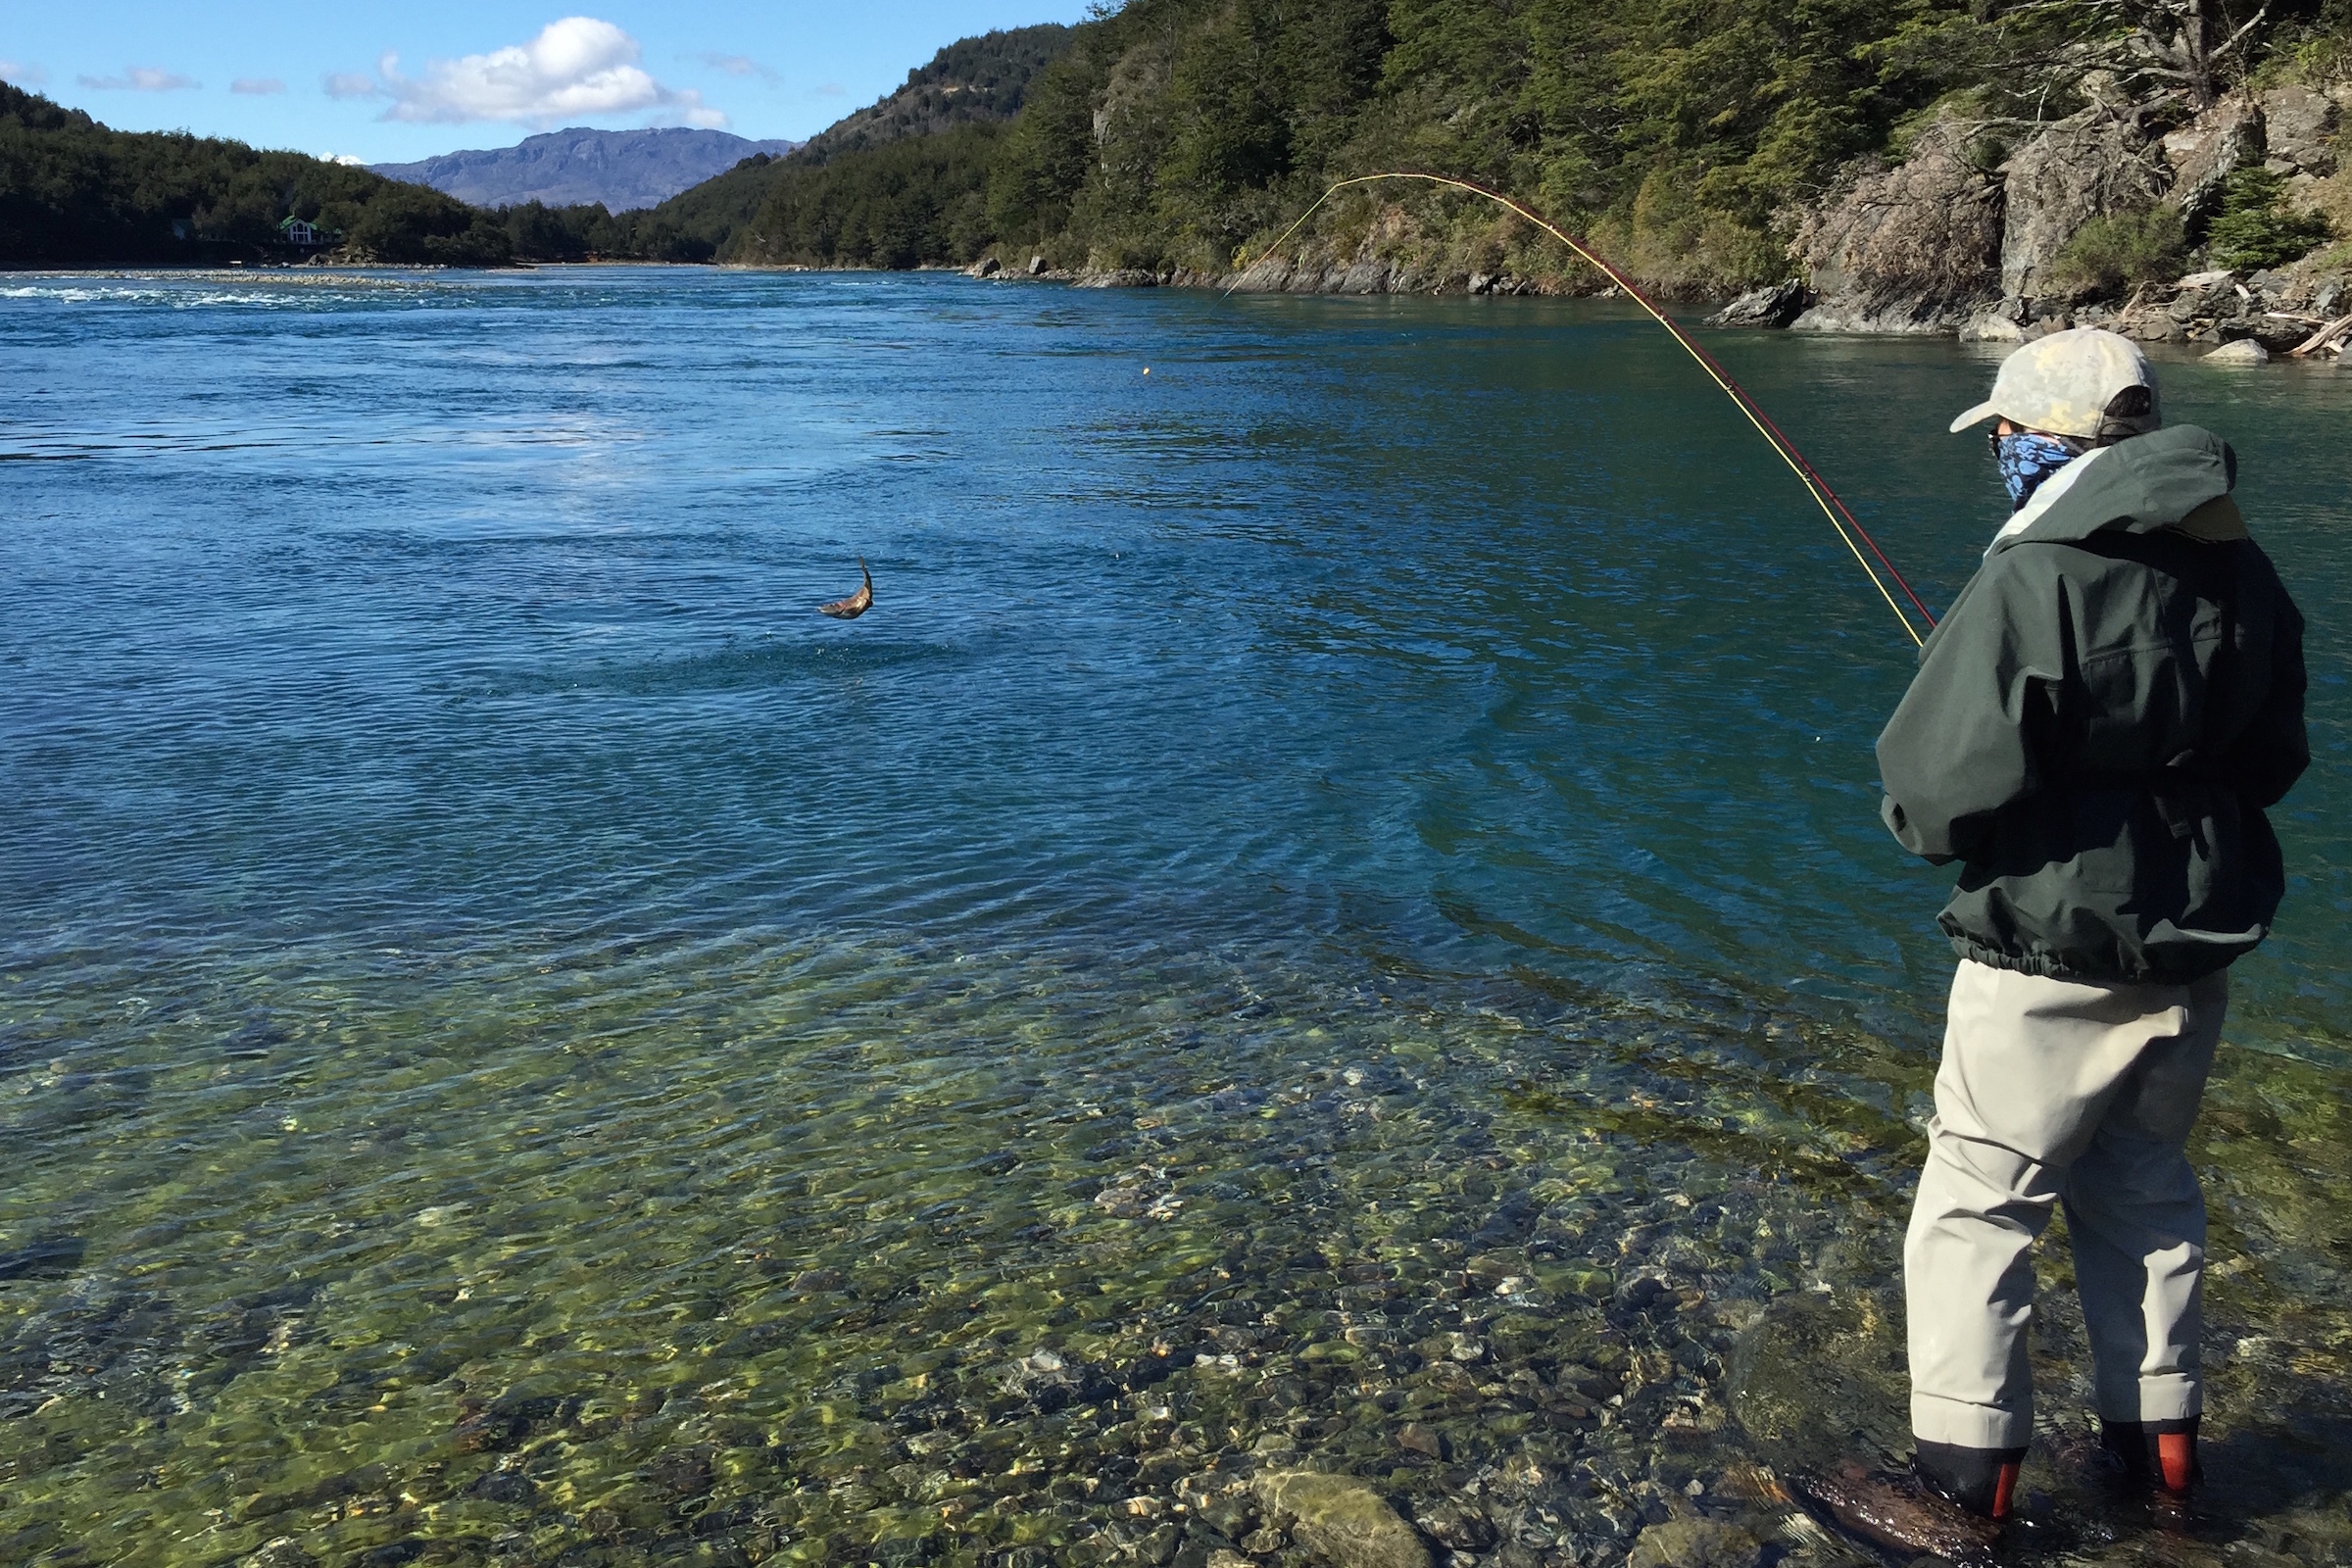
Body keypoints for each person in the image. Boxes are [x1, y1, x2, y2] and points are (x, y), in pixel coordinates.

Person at [1875, 327, 2309, 1520]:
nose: (2000, 450)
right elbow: (2275, 757)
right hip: (2196, 937)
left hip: (2048, 945)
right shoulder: (2246, 569)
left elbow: (1932, 801)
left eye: (2006, 434)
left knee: (1980, 1195)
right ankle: (2159, 1460)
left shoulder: (2032, 578)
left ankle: (1961, 1485)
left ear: (2045, 443)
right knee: (2146, 1187)